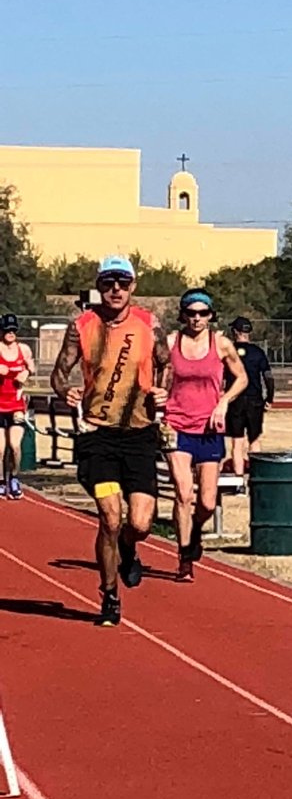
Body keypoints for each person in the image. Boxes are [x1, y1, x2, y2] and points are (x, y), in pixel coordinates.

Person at [50, 255, 170, 626]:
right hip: (98, 436)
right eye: (107, 282)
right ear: (98, 287)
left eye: (122, 282)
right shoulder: (81, 326)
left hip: (139, 435)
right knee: (110, 516)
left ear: (133, 286)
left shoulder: (151, 325)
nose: (115, 289)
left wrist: (162, 393)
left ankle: (129, 550)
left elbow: (167, 365)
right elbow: (59, 373)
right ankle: (110, 594)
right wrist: (65, 391)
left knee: (140, 522)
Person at [164, 289, 246, 582]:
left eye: (203, 313)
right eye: (191, 312)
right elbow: (151, 374)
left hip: (210, 429)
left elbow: (242, 378)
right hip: (176, 425)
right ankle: (184, 558)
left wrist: (224, 401)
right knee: (184, 493)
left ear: (211, 316)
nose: (197, 318)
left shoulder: (221, 344)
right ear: (183, 314)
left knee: (208, 503)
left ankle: (195, 533)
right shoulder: (171, 343)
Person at [224, 316, 274, 490]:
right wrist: (270, 398)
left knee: (237, 442)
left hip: (235, 400)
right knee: (255, 440)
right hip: (254, 400)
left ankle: (239, 483)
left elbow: (221, 378)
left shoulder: (228, 351)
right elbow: (268, 377)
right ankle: (256, 478)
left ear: (235, 332)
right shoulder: (258, 352)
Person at [0, 314, 35, 500]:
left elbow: (32, 367)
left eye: (13, 330)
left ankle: (13, 478)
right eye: (7, 330)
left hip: (16, 405)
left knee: (14, 446)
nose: (11, 333)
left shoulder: (24, 349)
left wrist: (27, 371)